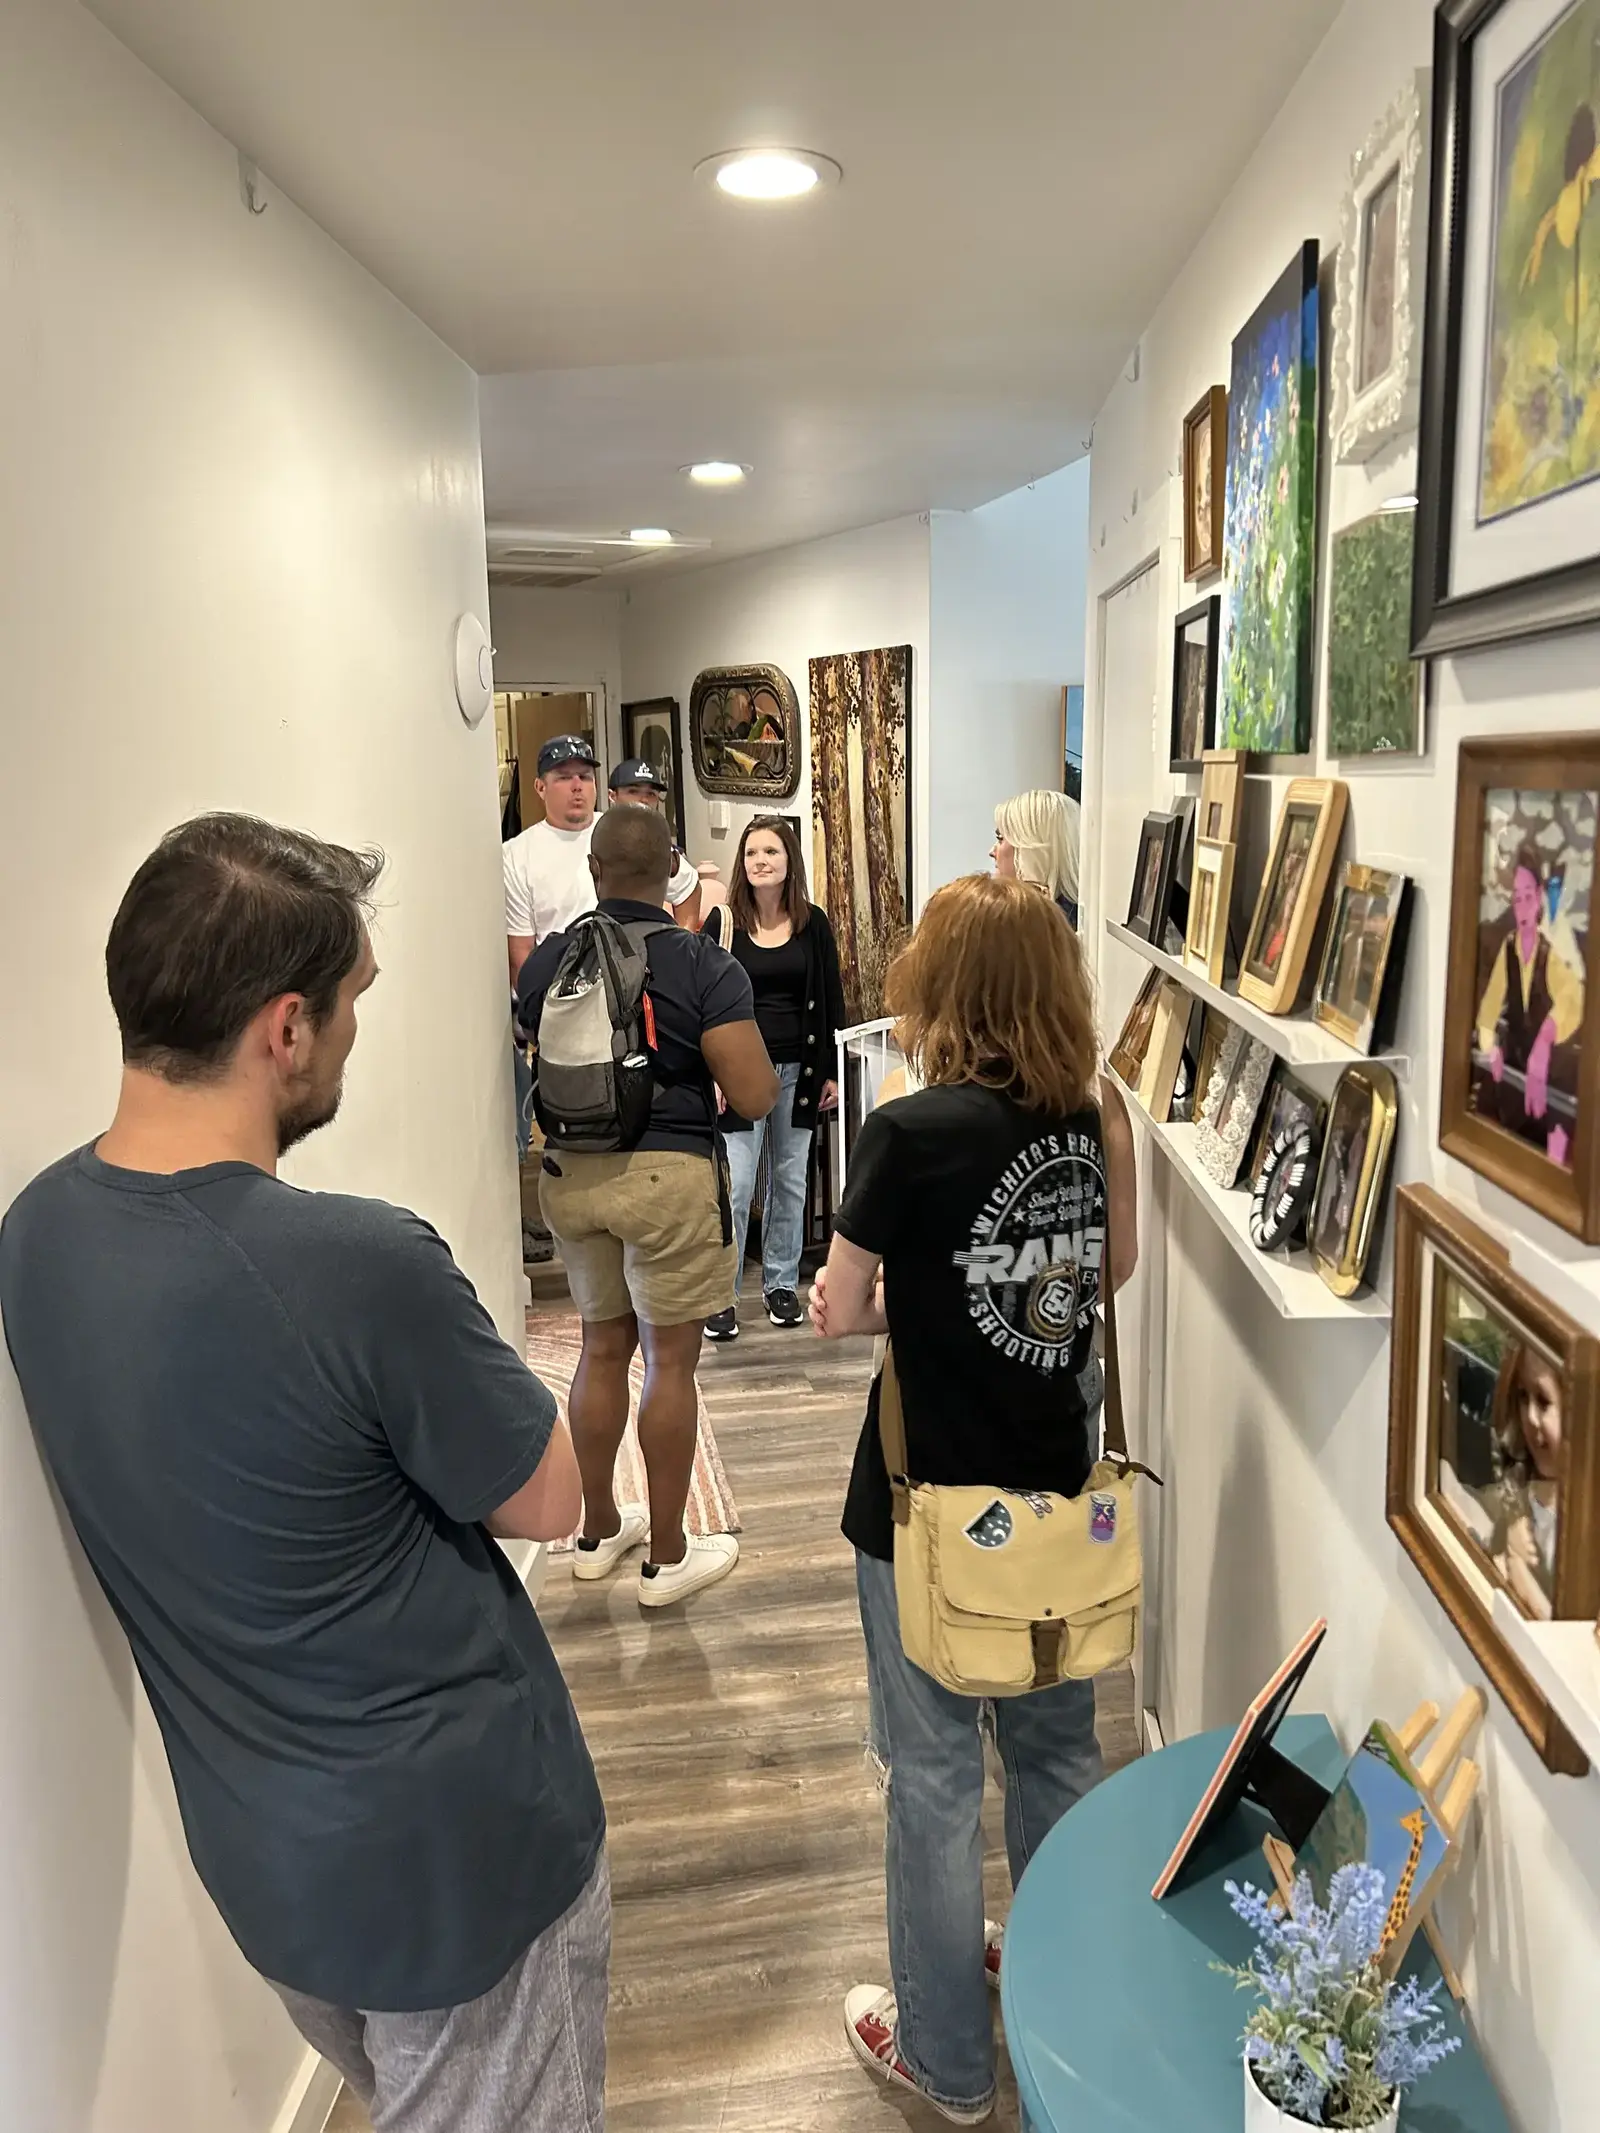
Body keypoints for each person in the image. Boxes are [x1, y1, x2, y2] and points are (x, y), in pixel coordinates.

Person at [0, 815, 608, 2133]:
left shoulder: (38, 1236)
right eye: (348, 1008)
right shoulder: (361, 1265)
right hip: (461, 1867)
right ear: (284, 1029)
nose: (349, 1037)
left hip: (270, 1864)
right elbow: (552, 1500)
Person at [809, 873, 1137, 2126]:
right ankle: (1058, 2001)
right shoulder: (1095, 1113)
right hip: (1059, 1495)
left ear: (942, 993)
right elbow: (1114, 1270)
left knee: (935, 1785)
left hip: (926, 1506)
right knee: (1056, 1756)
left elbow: (837, 1310)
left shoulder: (909, 1128)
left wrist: (932, 1296)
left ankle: (948, 2063)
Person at [516, 807, 779, 1605]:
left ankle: (597, 1531)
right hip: (668, 1177)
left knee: (601, 1351)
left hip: (570, 1174)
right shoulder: (703, 962)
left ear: (593, 871)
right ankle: (667, 1554)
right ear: (672, 869)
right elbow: (757, 1093)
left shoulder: (552, 961)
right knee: (670, 1364)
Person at [704, 816, 846, 1341]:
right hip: (741, 1074)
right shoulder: (722, 925)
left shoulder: (815, 924)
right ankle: (723, 1296)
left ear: (790, 862)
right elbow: (706, 1005)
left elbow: (832, 999)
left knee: (790, 1182)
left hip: (800, 1071)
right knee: (737, 1187)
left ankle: (781, 1285)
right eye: (752, 853)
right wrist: (712, 1071)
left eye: (771, 852)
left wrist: (830, 1072)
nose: (761, 861)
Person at [1475, 844, 1585, 1167]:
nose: (1522, 908)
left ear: (1538, 898)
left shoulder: (1551, 950)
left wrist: (1546, 1038)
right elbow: (1487, 1012)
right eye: (1516, 899)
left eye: (1528, 897)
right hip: (1517, 1078)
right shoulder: (1508, 947)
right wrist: (1489, 1046)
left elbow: (1573, 998)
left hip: (1555, 1084)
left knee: (1551, 1168)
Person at [1490, 1340, 1564, 1620]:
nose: (1531, 1417)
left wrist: (1519, 1576)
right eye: (1523, 1397)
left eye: (1544, 1402)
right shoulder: (1520, 1488)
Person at [607, 756, 703, 929]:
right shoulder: (598, 836)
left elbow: (689, 887)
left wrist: (683, 940)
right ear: (612, 796)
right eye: (633, 791)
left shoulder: (659, 847)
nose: (643, 800)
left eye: (650, 794)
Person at [990, 787, 1081, 926]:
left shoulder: (1031, 930)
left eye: (1000, 838)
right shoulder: (1073, 925)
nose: (991, 851)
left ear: (1031, 851)